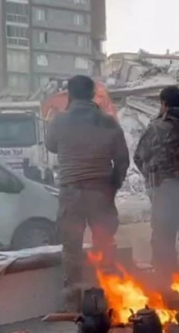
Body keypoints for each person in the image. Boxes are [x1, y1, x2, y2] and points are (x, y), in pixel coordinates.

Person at [45, 75, 130, 311]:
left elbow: (51, 145)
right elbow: (122, 159)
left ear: (69, 95)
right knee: (104, 243)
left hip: (71, 192)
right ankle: (111, 296)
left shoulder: (59, 121)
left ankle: (74, 302)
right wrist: (113, 185)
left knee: (71, 248)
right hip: (100, 192)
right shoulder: (108, 122)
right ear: (94, 94)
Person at [133, 86, 179, 280]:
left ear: (163, 104)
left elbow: (139, 156)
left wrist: (151, 178)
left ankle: (165, 277)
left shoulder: (156, 127)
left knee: (163, 232)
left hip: (163, 188)